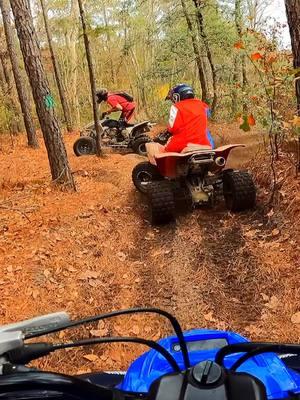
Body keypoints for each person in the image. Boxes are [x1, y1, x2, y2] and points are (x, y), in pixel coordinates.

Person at [163, 84, 213, 152]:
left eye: (172, 99)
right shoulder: (203, 105)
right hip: (205, 143)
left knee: (163, 152)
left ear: (176, 97)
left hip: (183, 144)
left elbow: (173, 128)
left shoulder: (177, 107)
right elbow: (207, 118)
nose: (173, 101)